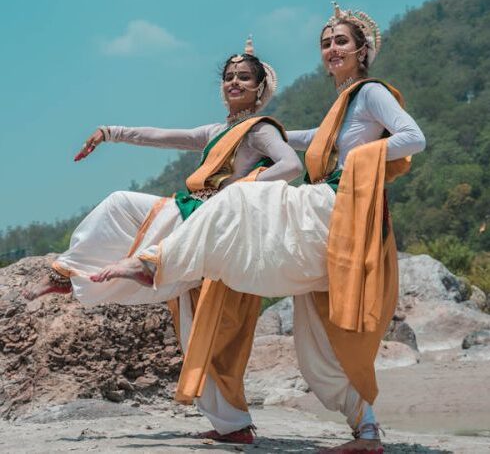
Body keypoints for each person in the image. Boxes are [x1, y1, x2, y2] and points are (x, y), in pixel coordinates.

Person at [92, 3, 426, 454]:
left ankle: (155, 263)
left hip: (339, 206)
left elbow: (413, 137)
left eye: (341, 41)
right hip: (330, 208)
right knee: (319, 342)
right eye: (326, 43)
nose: (331, 49)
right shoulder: (340, 107)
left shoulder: (369, 93)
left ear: (363, 49)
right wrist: (250, 134)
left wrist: (358, 163)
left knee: (241, 198)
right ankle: (366, 433)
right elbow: (301, 140)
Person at [23, 39, 303, 444]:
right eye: (229, 77)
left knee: (204, 323)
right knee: (192, 327)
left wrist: (239, 189)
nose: (234, 82)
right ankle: (234, 427)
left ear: (260, 89)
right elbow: (161, 136)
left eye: (244, 77)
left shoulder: (258, 130)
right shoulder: (216, 131)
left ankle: (147, 264)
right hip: (190, 212)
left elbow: (291, 164)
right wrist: (111, 132)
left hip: (216, 223)